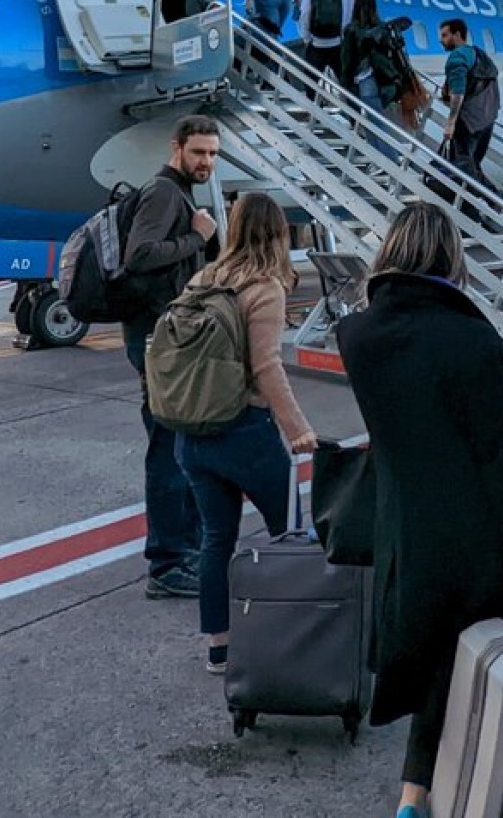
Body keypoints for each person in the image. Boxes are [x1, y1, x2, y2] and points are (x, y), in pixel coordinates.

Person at [337, 203, 503, 818]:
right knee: (468, 665)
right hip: (472, 536)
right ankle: (459, 792)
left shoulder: (357, 335)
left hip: (403, 530)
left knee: (435, 657)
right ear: (450, 258)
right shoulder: (473, 339)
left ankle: (414, 793)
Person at [172, 193, 320, 675]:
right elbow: (267, 367)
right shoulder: (265, 288)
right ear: (278, 232)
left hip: (193, 432)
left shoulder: (204, 277)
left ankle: (220, 646)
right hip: (244, 431)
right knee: (289, 535)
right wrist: (297, 429)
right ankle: (290, 638)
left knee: (217, 538)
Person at [121, 116, 222, 599]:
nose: (206, 162)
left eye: (213, 154)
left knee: (181, 449)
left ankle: (188, 548)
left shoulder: (180, 194)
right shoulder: (163, 192)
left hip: (170, 340)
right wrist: (198, 238)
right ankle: (166, 564)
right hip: (158, 343)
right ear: (176, 148)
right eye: (199, 152)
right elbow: (139, 256)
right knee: (167, 452)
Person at [440, 19, 500, 186]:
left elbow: (458, 92)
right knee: (472, 166)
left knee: (462, 169)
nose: (441, 40)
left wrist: (450, 123)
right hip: (486, 120)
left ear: (457, 34)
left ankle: (488, 200)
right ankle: (490, 202)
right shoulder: (480, 55)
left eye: (445, 35)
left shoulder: (457, 57)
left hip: (467, 122)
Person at [297, 0, 352, 76]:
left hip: (317, 44)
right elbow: (350, 17)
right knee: (345, 84)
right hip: (339, 44)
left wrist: (306, 38)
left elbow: (305, 14)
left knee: (310, 83)